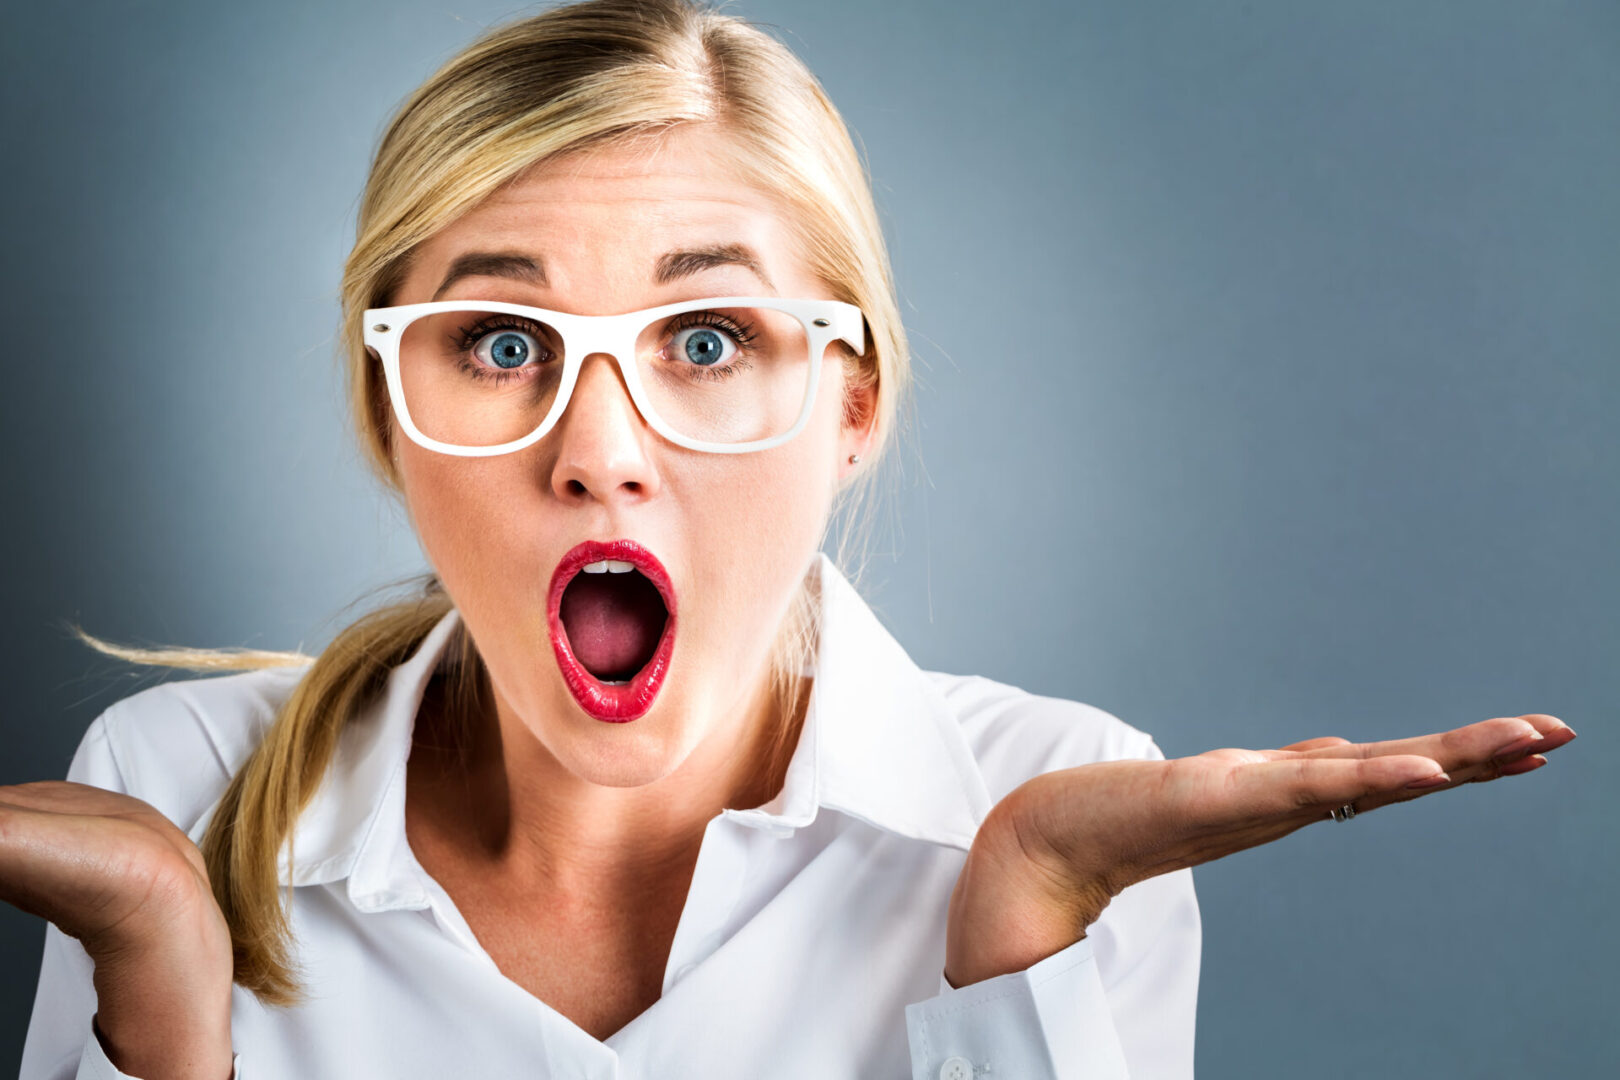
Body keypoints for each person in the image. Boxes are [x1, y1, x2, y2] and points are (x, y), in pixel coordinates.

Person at [4, 1, 1578, 1077]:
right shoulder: (170, 794)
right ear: (385, 408)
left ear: (852, 401)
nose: (601, 454)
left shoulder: (1052, 812)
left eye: (705, 339)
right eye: (497, 343)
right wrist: (160, 980)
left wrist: (1015, 936)